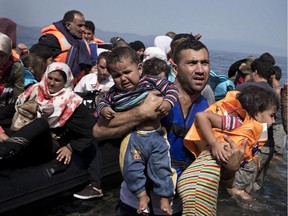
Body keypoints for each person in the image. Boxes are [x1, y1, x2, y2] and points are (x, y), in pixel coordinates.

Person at [93, 39, 245, 215]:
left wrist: (231, 169)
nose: (200, 70)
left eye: (204, 63)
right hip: (136, 203)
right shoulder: (151, 95)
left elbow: (223, 180)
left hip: (178, 206)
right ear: (175, 68)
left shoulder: (210, 108)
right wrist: (141, 113)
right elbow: (98, 131)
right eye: (191, 63)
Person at [96, 46, 178, 214]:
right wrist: (104, 109)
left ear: (139, 68)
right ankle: (142, 197)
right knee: (131, 168)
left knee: (161, 167)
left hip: (155, 135)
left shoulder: (149, 81)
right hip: (132, 138)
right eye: (117, 75)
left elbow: (171, 88)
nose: (123, 79)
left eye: (127, 72)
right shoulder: (114, 93)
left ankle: (164, 198)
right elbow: (102, 101)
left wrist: (167, 103)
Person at [0, 62, 100, 197]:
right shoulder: (34, 91)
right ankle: (8, 150)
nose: (51, 83)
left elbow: (90, 132)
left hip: (48, 144)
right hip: (24, 137)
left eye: (57, 80)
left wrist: (70, 147)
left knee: (41, 123)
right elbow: (8, 111)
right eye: (50, 78)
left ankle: (3, 151)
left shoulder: (72, 102)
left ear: (65, 82)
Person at [180, 86, 278, 214]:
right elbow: (201, 116)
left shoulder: (255, 132)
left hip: (218, 174)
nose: (274, 120)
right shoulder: (237, 123)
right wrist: (214, 143)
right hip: (204, 170)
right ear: (257, 113)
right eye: (272, 115)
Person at [235, 57, 278, 195]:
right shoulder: (274, 94)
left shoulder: (244, 88)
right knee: (255, 188)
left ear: (255, 72)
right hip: (268, 145)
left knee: (239, 189)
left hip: (252, 145)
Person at [35, 10, 92, 84]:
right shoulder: (51, 39)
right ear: (68, 25)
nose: (83, 29)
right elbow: (36, 61)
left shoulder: (82, 43)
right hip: (52, 85)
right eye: (80, 26)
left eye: (84, 25)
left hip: (74, 87)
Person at [0, 32, 24, 108]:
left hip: (6, 104)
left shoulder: (16, 67)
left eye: (2, 55)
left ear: (9, 54)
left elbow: (18, 92)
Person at [269, 66, 287, 158]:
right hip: (276, 125)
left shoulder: (279, 91)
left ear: (273, 76)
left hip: (278, 125)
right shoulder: (278, 91)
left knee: (277, 155)